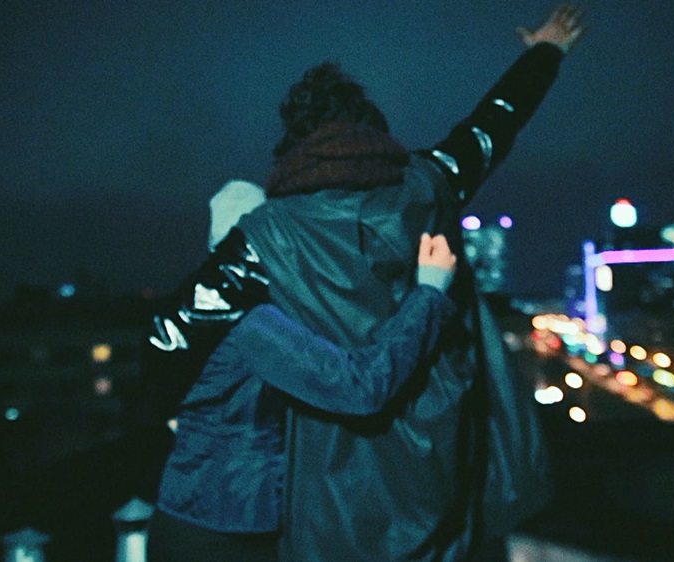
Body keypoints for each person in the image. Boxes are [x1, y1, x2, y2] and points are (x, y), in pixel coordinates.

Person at [151, 4, 585, 560]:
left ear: (294, 146)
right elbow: (493, 125)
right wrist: (545, 52)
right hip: (443, 457)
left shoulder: (267, 236)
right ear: (374, 131)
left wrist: (185, 415)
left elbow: (170, 335)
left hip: (334, 483)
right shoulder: (430, 184)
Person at [145, 179, 461, 561]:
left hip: (192, 517)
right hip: (223, 533)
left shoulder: (205, 315)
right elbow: (359, 387)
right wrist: (429, 293)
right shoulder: (253, 325)